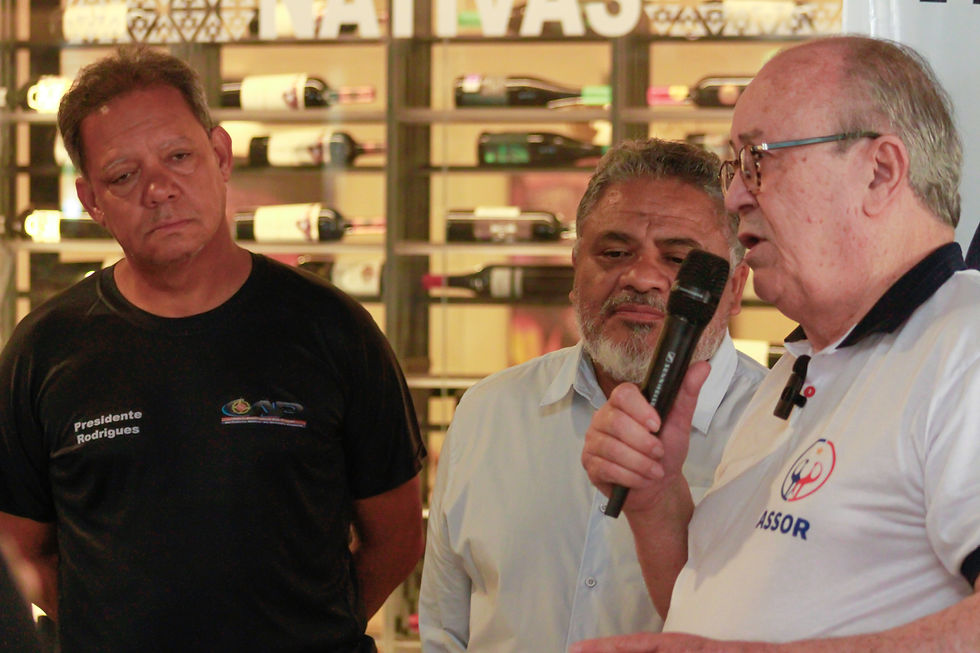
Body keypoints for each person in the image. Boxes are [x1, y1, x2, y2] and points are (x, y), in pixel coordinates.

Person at [0, 45, 425, 652]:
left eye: (179, 156)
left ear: (220, 155)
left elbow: (398, 538)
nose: (159, 189)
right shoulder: (45, 349)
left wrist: (307, 630)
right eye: (124, 175)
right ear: (92, 199)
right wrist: (113, 629)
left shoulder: (333, 329)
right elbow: (17, 547)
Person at [577, 35, 980, 652]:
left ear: (879, 172)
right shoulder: (801, 365)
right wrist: (657, 498)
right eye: (733, 166)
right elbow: (707, 606)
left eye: (758, 158)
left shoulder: (964, 345)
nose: (736, 194)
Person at [419, 138, 767, 652]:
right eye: (614, 252)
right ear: (575, 265)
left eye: (678, 259)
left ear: (734, 288)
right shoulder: (490, 412)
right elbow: (446, 633)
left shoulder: (777, 433)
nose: (643, 277)